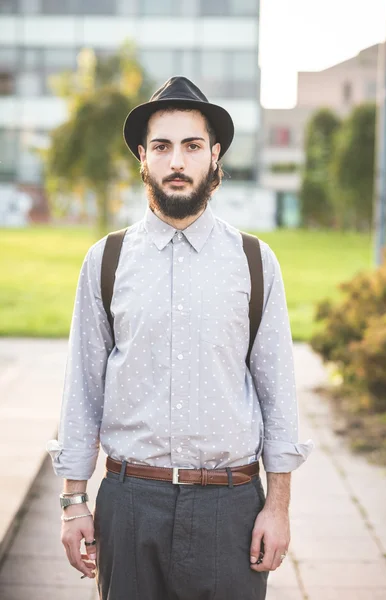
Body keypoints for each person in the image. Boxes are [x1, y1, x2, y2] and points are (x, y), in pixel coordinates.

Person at [47, 76, 314, 600]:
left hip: (231, 508)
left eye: (192, 146)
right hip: (129, 505)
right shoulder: (107, 261)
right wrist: (73, 501)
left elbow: (278, 394)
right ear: (142, 158)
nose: (176, 162)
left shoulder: (255, 263)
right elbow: (82, 387)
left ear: (214, 156)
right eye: (163, 147)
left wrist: (277, 506)